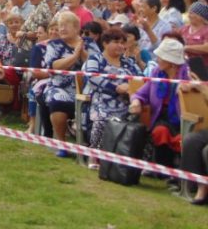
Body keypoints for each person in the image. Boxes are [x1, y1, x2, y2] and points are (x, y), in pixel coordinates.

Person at [43, 11, 100, 157]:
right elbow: (53, 66)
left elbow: (96, 65)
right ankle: (62, 144)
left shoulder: (89, 43)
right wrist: (74, 56)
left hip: (86, 88)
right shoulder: (54, 44)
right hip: (59, 86)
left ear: (76, 27)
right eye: (60, 26)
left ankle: (90, 144)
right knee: (57, 101)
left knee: (96, 104)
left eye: (65, 25)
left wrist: (82, 52)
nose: (61, 29)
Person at [83, 28, 141, 169]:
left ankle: (135, 162)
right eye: (116, 42)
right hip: (101, 99)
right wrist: (115, 88)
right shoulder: (95, 59)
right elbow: (92, 77)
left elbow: (140, 78)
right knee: (102, 118)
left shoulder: (129, 62)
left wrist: (129, 87)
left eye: (123, 42)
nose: (121, 46)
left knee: (141, 121)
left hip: (126, 102)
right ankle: (93, 155)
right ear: (105, 43)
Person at [130, 38, 190, 168]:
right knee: (160, 131)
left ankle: (179, 170)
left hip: (184, 119)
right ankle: (165, 169)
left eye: (161, 57)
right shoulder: (157, 72)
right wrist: (136, 101)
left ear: (171, 61)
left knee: (181, 138)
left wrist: (190, 89)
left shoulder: (188, 74)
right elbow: (141, 93)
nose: (157, 59)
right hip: (161, 116)